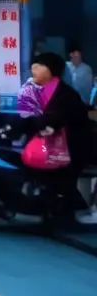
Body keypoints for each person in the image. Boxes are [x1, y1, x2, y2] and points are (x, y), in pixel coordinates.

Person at [19, 52, 95, 224]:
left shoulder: (63, 94)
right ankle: (56, 212)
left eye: (39, 66)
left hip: (72, 148)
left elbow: (52, 120)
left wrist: (24, 124)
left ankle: (78, 211)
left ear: (52, 70)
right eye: (33, 66)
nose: (34, 69)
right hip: (55, 145)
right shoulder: (40, 91)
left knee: (58, 177)